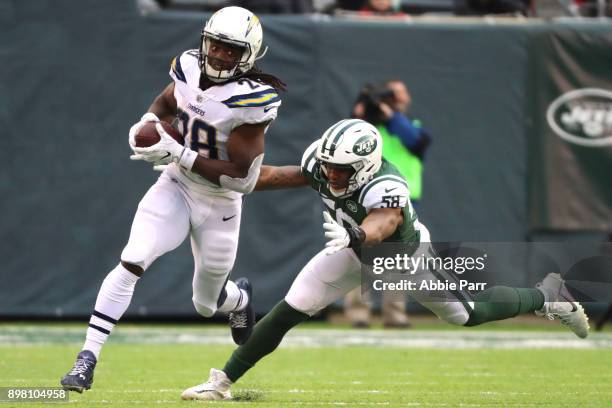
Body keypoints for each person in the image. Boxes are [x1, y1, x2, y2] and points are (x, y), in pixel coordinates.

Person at [179, 118, 590, 401]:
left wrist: (355, 233)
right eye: (329, 167)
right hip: (350, 250)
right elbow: (271, 176)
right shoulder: (321, 163)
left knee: (465, 314)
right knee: (291, 308)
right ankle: (221, 383)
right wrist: (206, 172)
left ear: (365, 166)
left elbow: (385, 223)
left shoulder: (387, 182)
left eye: (342, 170)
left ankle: (548, 297)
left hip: (401, 259)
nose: (332, 175)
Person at [60, 6, 285, 393]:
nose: (218, 55)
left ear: (248, 55)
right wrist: (146, 125)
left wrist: (178, 152)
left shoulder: (251, 100)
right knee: (133, 259)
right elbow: (166, 103)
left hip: (220, 202)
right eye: (215, 45)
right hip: (176, 185)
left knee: (205, 303)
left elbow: (242, 178)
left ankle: (239, 299)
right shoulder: (186, 66)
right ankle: (86, 358)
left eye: (231, 50)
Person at [346, 80, 431, 328]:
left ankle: (394, 315)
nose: (395, 98)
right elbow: (350, 138)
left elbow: (415, 141)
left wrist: (389, 114)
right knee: (359, 252)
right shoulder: (369, 129)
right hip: (368, 197)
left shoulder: (411, 126)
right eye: (390, 95)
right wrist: (361, 112)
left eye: (398, 95)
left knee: (398, 259)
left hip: (403, 200)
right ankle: (358, 314)